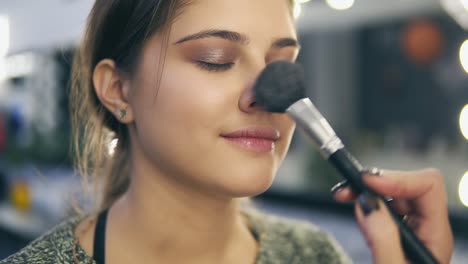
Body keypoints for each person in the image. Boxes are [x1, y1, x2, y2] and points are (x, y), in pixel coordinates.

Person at [0, 0, 453, 263]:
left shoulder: (315, 255)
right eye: (215, 59)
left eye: (282, 65)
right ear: (119, 90)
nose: (268, 95)